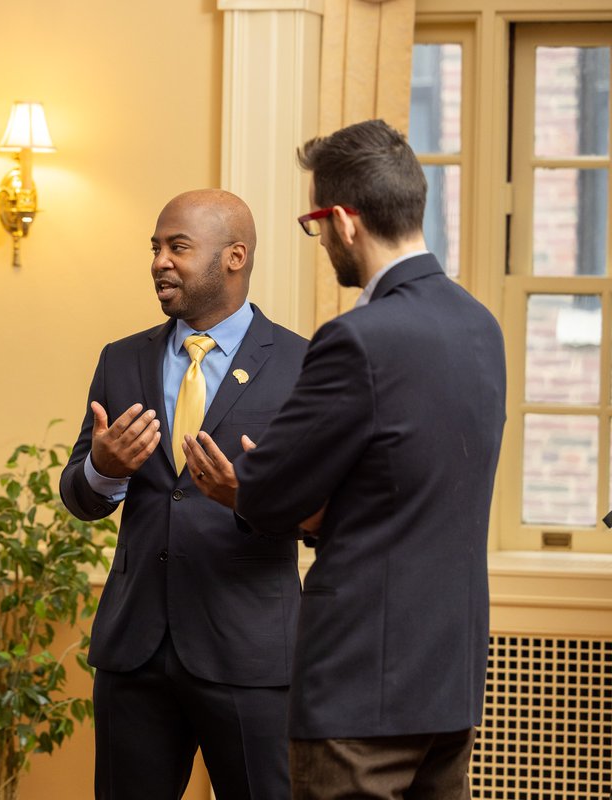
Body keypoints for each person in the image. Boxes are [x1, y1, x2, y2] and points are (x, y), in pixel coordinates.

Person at [183, 119, 506, 799]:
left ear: (344, 220)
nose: (322, 241)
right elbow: (415, 484)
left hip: (361, 683)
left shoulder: (359, 337)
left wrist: (245, 484)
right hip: (451, 678)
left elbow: (268, 493)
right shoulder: (482, 326)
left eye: (317, 225)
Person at [60, 189, 307, 799]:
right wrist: (103, 467)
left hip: (250, 657)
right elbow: (79, 495)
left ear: (234, 256)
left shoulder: (303, 364)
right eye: (155, 248)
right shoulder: (121, 359)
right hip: (135, 652)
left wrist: (244, 497)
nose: (159, 262)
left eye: (178, 247)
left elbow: (326, 515)